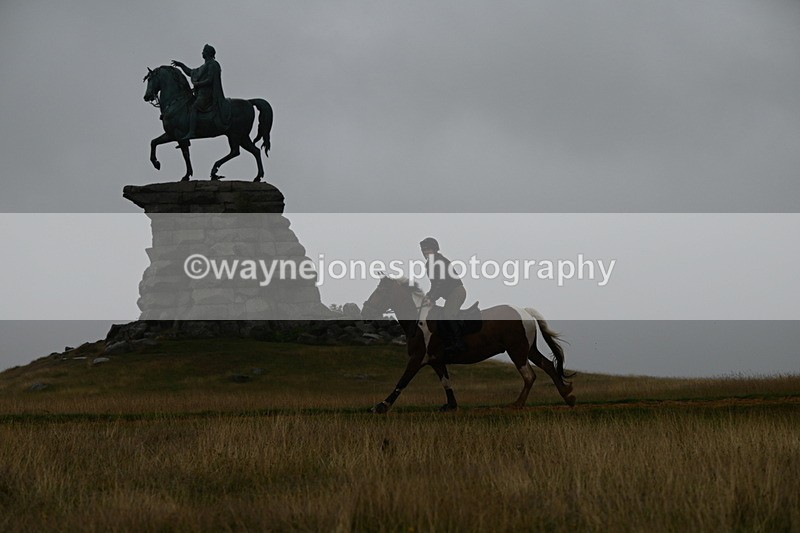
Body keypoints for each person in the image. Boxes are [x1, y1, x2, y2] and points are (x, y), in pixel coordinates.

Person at [420, 237, 467, 359]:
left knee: (448, 315)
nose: (425, 252)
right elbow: (435, 284)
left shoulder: (439, 262)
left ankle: (459, 344)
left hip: (456, 292)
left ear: (435, 249)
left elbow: (441, 282)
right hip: (449, 293)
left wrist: (432, 297)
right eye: (424, 250)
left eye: (428, 249)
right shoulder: (430, 264)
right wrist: (428, 296)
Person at [171, 44, 230, 140]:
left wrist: (198, 84)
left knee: (194, 108)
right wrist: (181, 65)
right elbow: (191, 72)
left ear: (207, 53)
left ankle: (192, 132)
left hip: (208, 95)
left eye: (203, 51)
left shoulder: (213, 64)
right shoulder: (204, 66)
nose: (202, 53)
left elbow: (210, 79)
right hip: (201, 94)